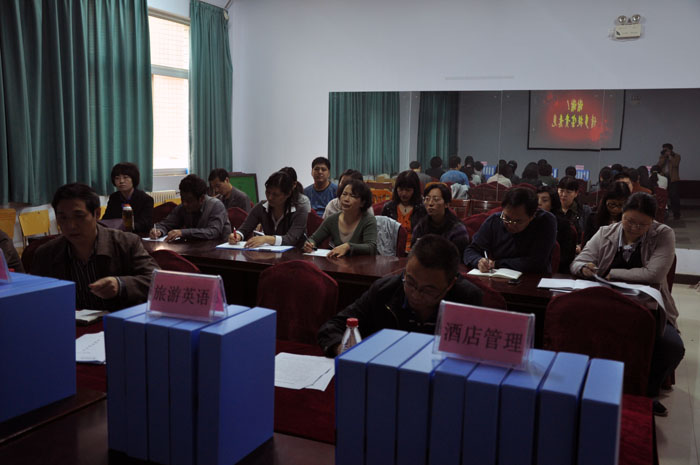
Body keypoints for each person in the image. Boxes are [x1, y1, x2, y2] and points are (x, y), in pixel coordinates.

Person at [570, 193, 684, 417]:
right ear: (621, 215)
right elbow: (577, 262)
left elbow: (653, 273)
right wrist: (584, 268)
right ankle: (590, 387)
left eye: (642, 224)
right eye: (629, 221)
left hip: (649, 309)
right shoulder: (606, 232)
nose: (634, 228)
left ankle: (645, 393)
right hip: (606, 305)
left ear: (652, 221)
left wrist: (611, 273)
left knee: (672, 347)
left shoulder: (663, 234)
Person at [317, 234, 483, 357]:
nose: (415, 294)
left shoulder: (467, 300)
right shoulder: (385, 291)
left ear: (450, 284)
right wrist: (341, 348)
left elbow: (478, 354)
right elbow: (332, 327)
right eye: (410, 282)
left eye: (428, 290)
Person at [32, 183, 158, 311]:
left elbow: (157, 281)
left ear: (97, 214)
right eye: (63, 218)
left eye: (79, 216)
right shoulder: (46, 253)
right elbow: (36, 298)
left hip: (116, 319)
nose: (70, 226)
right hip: (68, 321)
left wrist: (121, 284)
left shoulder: (126, 243)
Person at [463, 187, 557, 273]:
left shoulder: (545, 221)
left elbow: (537, 262)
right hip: (499, 279)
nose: (511, 225)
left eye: (518, 221)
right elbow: (471, 250)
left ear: (532, 216)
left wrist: (497, 264)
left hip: (534, 280)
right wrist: (478, 261)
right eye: (507, 218)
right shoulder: (495, 220)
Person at [229, 171, 308, 248]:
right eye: (268, 192)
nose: (270, 197)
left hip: (296, 253)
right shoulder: (261, 207)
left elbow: (291, 239)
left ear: (288, 194)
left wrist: (267, 239)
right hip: (270, 254)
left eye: (275, 194)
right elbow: (244, 229)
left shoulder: (300, 210)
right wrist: (237, 235)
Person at [303, 179, 377, 257]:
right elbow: (314, 239)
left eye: (353, 196)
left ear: (362, 202)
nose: (346, 199)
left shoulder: (368, 220)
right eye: (344, 194)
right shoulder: (332, 219)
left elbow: (371, 247)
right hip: (337, 263)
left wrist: (348, 246)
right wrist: (309, 245)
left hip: (361, 263)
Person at [151, 174, 232, 242]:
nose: (185, 204)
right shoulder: (183, 207)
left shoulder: (216, 206)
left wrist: (182, 233)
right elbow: (167, 223)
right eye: (182, 199)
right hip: (194, 249)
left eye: (189, 201)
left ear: (201, 199)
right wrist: (159, 231)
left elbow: (213, 232)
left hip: (219, 251)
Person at [411, 183, 469, 257]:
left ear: (447, 204)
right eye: (427, 199)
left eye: (436, 200)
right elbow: (414, 253)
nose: (430, 203)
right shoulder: (421, 226)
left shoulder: (457, 229)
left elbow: (459, 257)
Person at [380, 170, 428, 251]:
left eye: (408, 190)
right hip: (392, 249)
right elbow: (382, 233)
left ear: (415, 190)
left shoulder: (422, 209)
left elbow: (425, 235)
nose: (403, 194)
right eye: (400, 189)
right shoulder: (388, 207)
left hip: (416, 249)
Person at [102, 162, 154, 234]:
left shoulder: (146, 199)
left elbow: (145, 224)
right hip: (118, 235)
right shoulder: (114, 198)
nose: (121, 181)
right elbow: (107, 219)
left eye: (125, 177)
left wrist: (126, 227)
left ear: (133, 179)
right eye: (117, 178)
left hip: (138, 235)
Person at [536, 186, 576, 274]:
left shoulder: (562, 224)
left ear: (553, 204)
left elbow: (565, 257)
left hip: (555, 271)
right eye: (536, 199)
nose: (538, 203)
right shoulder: (527, 221)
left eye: (544, 200)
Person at [557, 176, 592, 248]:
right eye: (561, 191)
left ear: (576, 193)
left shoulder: (585, 211)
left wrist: (581, 246)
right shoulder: (553, 209)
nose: (564, 195)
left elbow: (590, 235)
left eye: (568, 192)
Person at [658, 144, 681, 220]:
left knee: (674, 196)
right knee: (663, 196)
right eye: (664, 149)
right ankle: (664, 213)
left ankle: (676, 214)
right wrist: (664, 157)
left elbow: (675, 164)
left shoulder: (677, 156)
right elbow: (659, 165)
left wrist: (670, 156)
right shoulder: (662, 156)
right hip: (664, 178)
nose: (664, 151)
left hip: (673, 179)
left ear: (670, 149)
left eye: (666, 149)